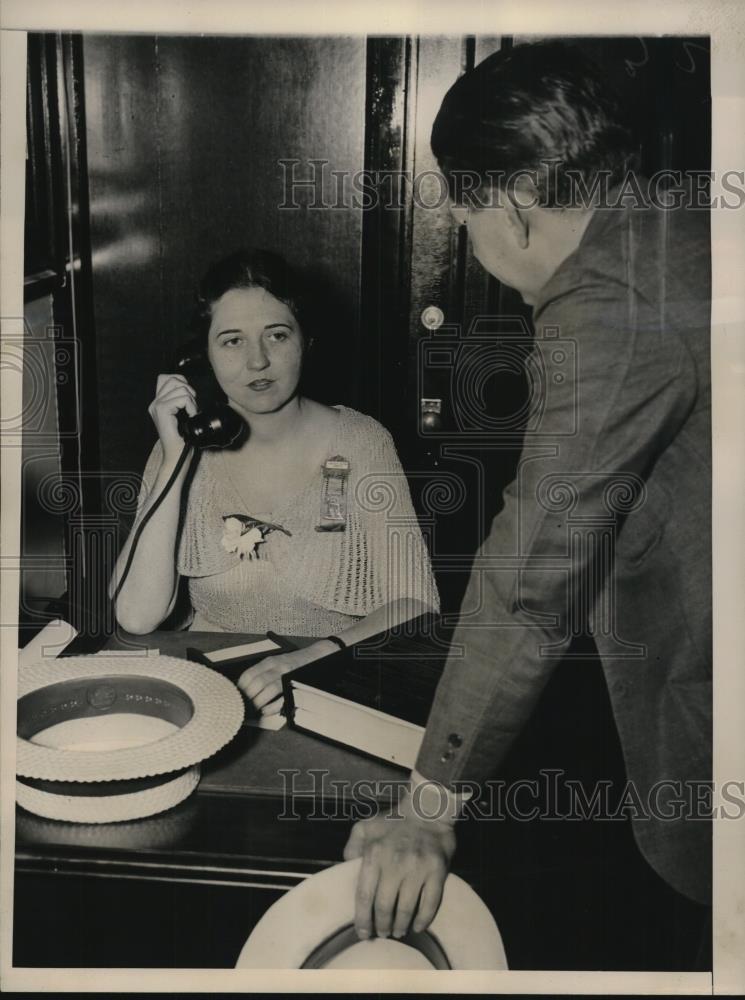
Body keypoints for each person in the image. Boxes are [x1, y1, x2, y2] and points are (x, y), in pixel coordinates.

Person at [344, 40, 712, 952]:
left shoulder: (608, 301)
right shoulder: (687, 218)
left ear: (507, 210)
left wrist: (426, 808)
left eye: (462, 214)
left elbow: (530, 579)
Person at [110, 249, 439, 714]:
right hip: (209, 690)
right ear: (202, 356)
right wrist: (175, 458)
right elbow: (136, 616)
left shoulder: (362, 441)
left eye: (277, 335)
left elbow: (416, 603)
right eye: (231, 341)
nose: (258, 361)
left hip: (326, 684)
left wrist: (307, 660)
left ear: (306, 341)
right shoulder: (180, 447)